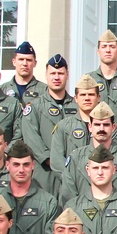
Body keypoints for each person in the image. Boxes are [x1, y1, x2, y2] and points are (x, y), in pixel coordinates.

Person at [61, 101, 117, 205]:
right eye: (97, 124)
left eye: (105, 125)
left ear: (113, 127)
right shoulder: (75, 157)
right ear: (90, 127)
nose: (101, 129)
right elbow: (68, 194)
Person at [21, 54, 77, 193]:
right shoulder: (35, 107)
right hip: (44, 172)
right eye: (52, 73)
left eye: (60, 73)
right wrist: (51, 160)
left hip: (73, 172)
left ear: (67, 75)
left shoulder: (77, 106)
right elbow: (32, 139)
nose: (56, 77)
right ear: (46, 75)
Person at [49, 74, 102, 198]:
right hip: (71, 192)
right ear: (75, 98)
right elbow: (57, 162)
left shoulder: (106, 127)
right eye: (83, 95)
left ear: (98, 97)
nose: (87, 98)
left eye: (91, 94)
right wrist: (75, 181)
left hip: (101, 190)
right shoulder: (63, 127)